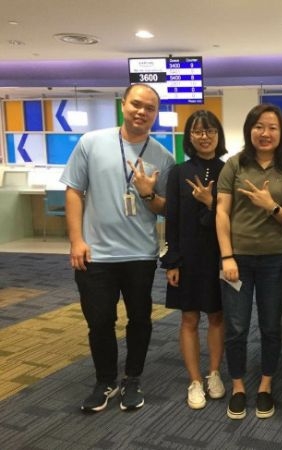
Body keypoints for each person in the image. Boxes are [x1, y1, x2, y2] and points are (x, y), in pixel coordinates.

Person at [60, 83, 175, 413]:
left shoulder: (163, 157)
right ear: (123, 104)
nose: (142, 112)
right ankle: (105, 381)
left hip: (140, 254)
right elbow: (74, 191)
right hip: (95, 254)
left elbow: (167, 208)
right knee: (99, 321)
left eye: (150, 108)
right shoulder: (91, 142)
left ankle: (133, 378)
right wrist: (76, 240)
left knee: (140, 319)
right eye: (136, 104)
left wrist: (148, 193)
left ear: (156, 114)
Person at [216, 103, 282, 420]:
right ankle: (238, 386)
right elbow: (221, 212)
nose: (265, 133)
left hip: (274, 259)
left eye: (272, 127)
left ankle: (266, 384)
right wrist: (226, 255)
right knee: (236, 327)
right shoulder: (234, 165)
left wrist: (270, 205)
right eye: (259, 126)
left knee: (270, 326)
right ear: (249, 130)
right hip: (236, 259)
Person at [160, 110, 227, 409]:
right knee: (189, 318)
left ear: (218, 135)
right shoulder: (178, 172)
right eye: (198, 131)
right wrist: (172, 261)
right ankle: (195, 380)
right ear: (189, 136)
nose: (204, 136)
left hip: (218, 255)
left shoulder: (228, 170)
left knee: (217, 316)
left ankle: (214, 373)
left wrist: (209, 202)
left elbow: (232, 217)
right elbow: (172, 219)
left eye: (210, 130)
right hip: (187, 255)